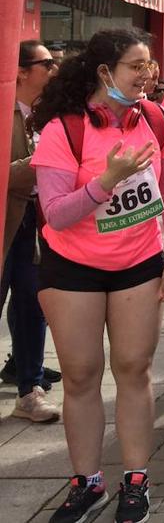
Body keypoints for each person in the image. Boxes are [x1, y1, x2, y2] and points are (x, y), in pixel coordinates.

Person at [31, 28, 164, 523]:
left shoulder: (161, 122)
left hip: (139, 263)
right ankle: (87, 483)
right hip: (71, 267)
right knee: (79, 376)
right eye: (136, 66)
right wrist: (107, 180)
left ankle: (136, 481)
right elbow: (56, 214)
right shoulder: (65, 128)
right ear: (105, 72)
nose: (148, 74)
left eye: (150, 66)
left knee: (134, 370)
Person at [3, 41, 60, 423]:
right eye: (47, 63)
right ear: (22, 71)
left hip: (35, 226)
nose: (54, 69)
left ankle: (30, 388)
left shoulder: (47, 114)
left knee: (31, 304)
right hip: (6, 222)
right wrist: (41, 161)